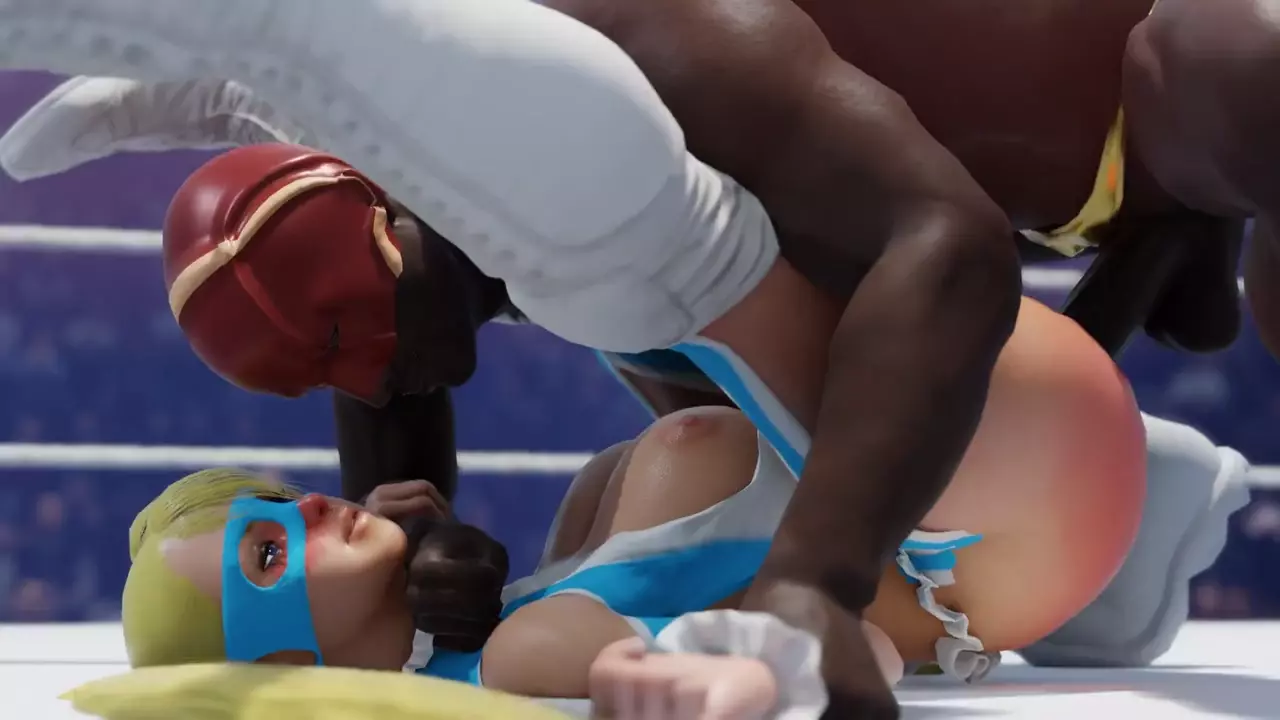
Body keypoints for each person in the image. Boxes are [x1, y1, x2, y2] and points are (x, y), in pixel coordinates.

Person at [0, 1, 1273, 714]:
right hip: (1038, 447)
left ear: (395, 216)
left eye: (364, 337)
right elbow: (399, 398)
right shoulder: (497, 248)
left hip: (1124, 105)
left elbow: (947, 247)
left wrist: (812, 583)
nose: (379, 392)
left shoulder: (654, 74)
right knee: (663, 333)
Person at [124, 296, 1153, 719]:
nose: (307, 508)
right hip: (1000, 525)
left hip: (1025, 476)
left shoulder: (524, 607)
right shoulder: (530, 653)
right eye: (268, 554)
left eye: (277, 501)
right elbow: (845, 647)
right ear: (289, 664)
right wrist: (727, 677)